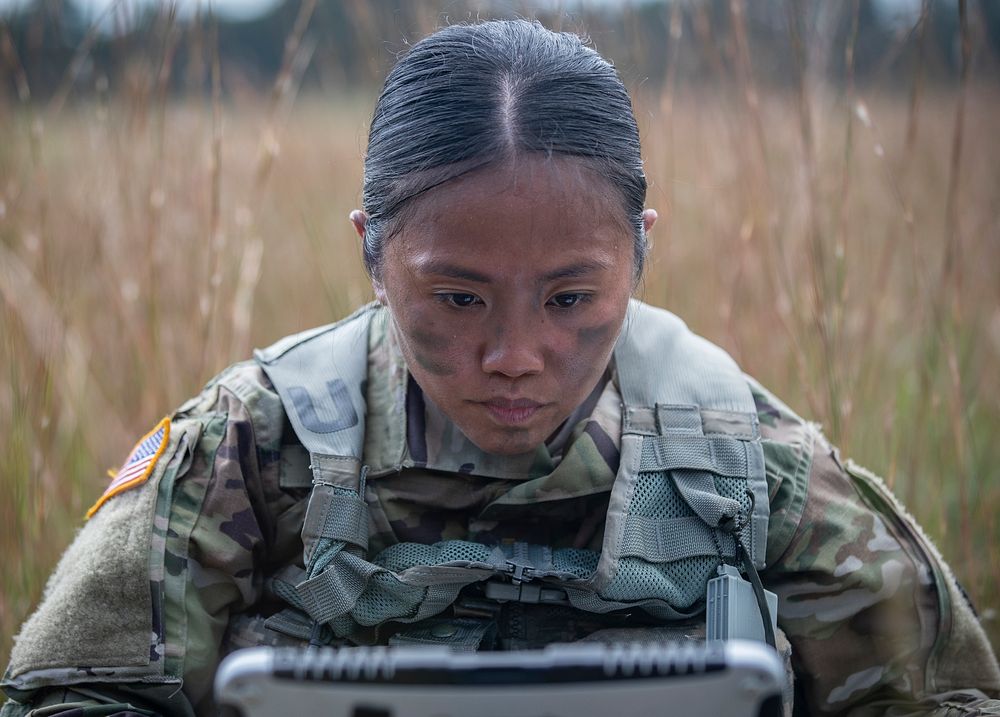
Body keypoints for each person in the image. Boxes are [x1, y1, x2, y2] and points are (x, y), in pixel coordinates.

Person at [3, 19, 999, 717]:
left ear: (641, 253)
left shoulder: (749, 462)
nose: (514, 357)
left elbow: (941, 699)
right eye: (457, 298)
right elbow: (73, 693)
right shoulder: (251, 446)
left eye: (571, 300)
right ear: (370, 253)